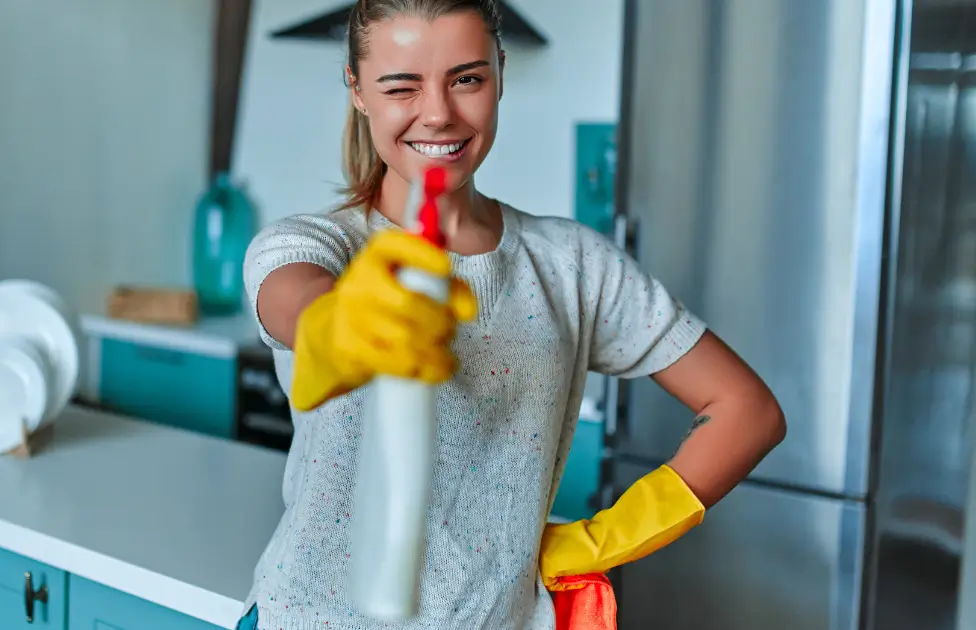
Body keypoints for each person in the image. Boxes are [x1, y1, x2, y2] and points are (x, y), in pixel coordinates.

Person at [236, 1, 787, 628]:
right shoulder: (315, 246)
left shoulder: (572, 267)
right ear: (358, 90)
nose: (439, 112)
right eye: (402, 86)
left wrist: (605, 537)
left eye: (467, 78)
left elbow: (749, 412)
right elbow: (294, 299)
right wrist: (340, 325)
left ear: (500, 73)